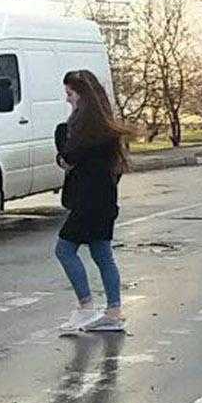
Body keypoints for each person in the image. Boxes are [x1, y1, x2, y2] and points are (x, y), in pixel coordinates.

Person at [53, 69, 132, 334]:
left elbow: (67, 158)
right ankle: (113, 311)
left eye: (70, 94)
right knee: (102, 255)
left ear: (82, 97)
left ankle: (86, 306)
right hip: (105, 201)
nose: (68, 100)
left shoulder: (83, 131)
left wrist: (63, 137)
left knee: (64, 249)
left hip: (88, 202)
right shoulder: (106, 130)